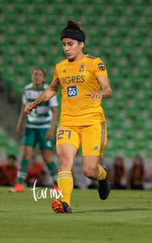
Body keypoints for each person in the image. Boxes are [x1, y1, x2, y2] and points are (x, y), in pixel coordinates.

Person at [24, 20, 113, 213]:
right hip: (68, 123)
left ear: (81, 44)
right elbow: (52, 89)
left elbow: (107, 89)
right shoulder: (60, 67)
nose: (66, 48)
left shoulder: (94, 63)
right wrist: (35, 103)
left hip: (92, 122)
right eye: (64, 44)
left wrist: (101, 93)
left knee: (90, 171)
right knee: (64, 161)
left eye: (70, 44)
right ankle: (64, 202)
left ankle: (104, 176)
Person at [9, 67, 59, 192]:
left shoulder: (48, 90)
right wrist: (20, 122)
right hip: (31, 126)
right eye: (35, 74)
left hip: (44, 127)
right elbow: (23, 107)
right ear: (32, 77)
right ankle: (19, 184)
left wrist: (51, 129)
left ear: (43, 78)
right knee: (26, 154)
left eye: (40, 74)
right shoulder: (27, 89)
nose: (37, 76)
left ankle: (58, 184)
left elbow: (54, 110)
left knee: (47, 157)